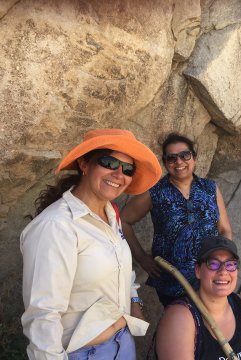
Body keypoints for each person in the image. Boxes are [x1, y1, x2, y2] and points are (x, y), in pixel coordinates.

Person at [21, 129, 162, 359]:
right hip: (86, 353)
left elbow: (120, 267)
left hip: (122, 343)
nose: (119, 173)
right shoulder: (57, 225)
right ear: (84, 164)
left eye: (128, 169)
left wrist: (134, 299)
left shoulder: (110, 214)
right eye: (109, 162)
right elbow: (42, 316)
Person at [121, 132, 232, 307]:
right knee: (182, 327)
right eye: (171, 158)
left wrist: (223, 263)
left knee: (212, 323)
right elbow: (123, 220)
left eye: (184, 155)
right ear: (165, 163)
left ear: (194, 158)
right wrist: (142, 257)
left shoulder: (210, 188)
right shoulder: (155, 193)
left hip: (210, 275)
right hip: (172, 281)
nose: (179, 162)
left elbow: (224, 230)